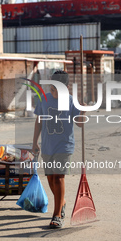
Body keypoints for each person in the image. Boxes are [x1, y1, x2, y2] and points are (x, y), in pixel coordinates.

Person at [32, 70, 85, 229]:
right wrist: (35, 142)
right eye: (52, 89)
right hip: (48, 146)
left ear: (66, 87)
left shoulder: (71, 101)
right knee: (50, 178)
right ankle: (61, 202)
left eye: (57, 90)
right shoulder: (44, 99)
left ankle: (57, 216)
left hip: (64, 146)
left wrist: (83, 110)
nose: (53, 92)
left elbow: (80, 124)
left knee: (58, 178)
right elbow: (39, 121)